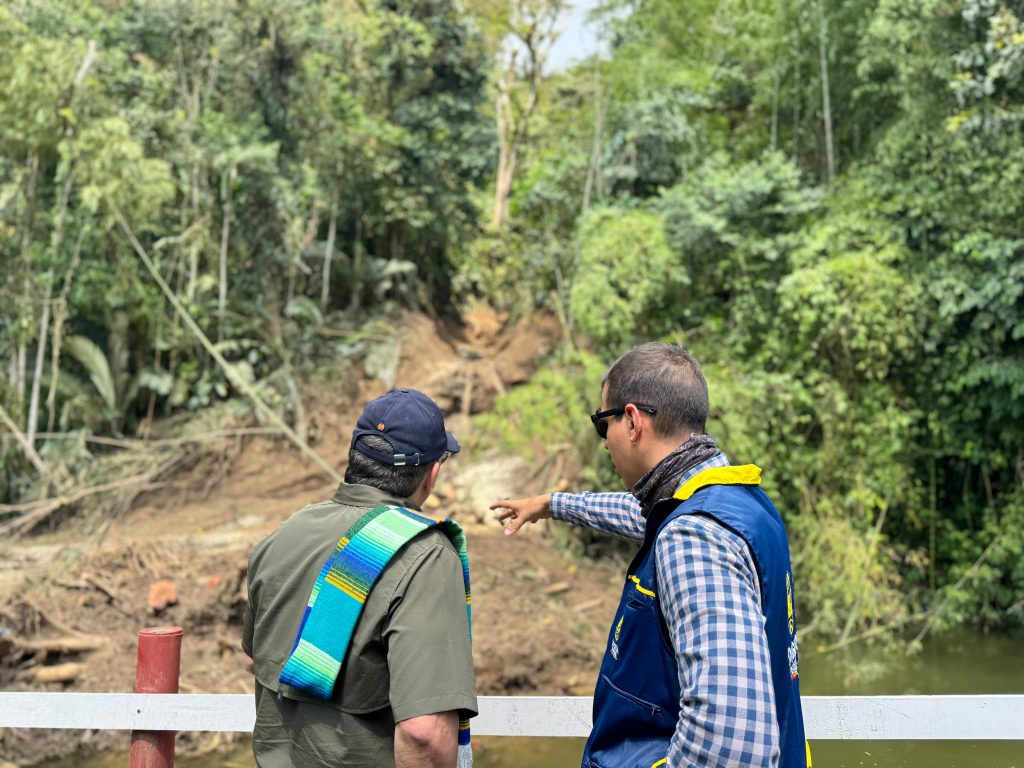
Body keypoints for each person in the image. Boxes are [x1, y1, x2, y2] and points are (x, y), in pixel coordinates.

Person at [492, 343, 808, 768]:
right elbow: (647, 517)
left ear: (633, 421)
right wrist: (551, 503)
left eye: (603, 424)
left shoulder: (696, 537)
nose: (604, 442)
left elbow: (733, 746)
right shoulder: (737, 505)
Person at [243, 388, 477, 768]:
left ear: (355, 456)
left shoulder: (284, 534)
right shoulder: (425, 556)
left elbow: (257, 659)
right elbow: (424, 734)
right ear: (432, 474)